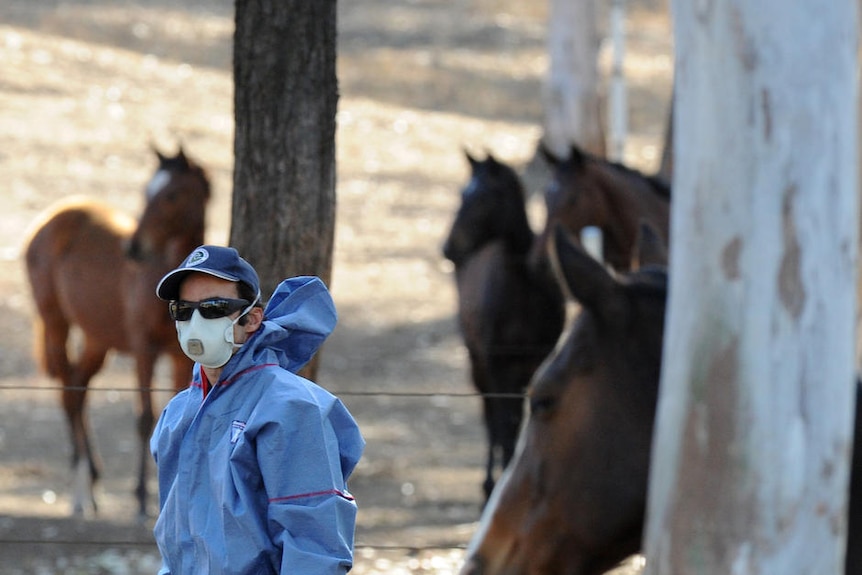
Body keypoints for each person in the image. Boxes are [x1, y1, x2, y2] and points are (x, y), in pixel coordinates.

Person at [149, 244, 365, 575]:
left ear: (252, 318)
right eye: (183, 310)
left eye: (214, 308)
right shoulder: (178, 415)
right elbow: (179, 545)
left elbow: (314, 548)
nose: (194, 322)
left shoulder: (292, 409)